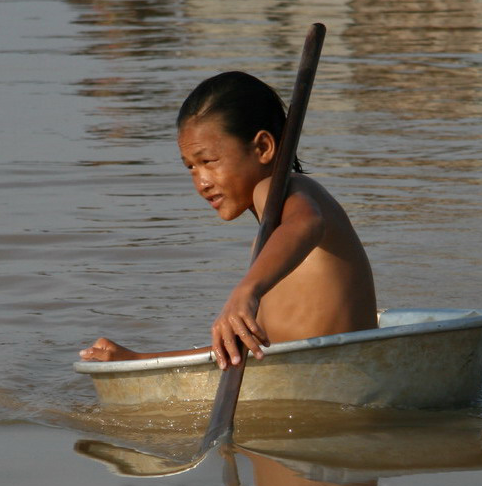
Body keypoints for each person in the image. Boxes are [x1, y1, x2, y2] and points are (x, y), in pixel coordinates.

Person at [79, 71, 377, 369]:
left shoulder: (280, 192)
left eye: (208, 161)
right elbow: (247, 354)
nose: (202, 181)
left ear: (262, 148)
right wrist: (140, 360)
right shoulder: (271, 241)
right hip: (306, 373)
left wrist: (246, 291)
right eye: (191, 168)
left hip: (337, 373)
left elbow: (307, 224)